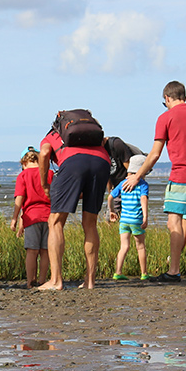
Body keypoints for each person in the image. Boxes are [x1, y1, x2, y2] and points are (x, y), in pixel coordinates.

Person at [123, 80, 186, 283]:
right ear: (184, 95)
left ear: (167, 98)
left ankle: (174, 270)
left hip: (182, 175)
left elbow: (155, 154)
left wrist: (137, 176)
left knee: (174, 222)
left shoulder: (165, 117)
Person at [37, 112, 110, 290]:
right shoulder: (92, 137)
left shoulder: (53, 134)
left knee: (55, 222)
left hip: (72, 163)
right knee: (90, 224)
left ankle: (56, 281)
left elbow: (44, 153)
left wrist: (44, 184)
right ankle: (90, 282)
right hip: (102, 163)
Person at [10, 148, 52, 288]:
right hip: (49, 216)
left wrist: (15, 218)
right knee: (45, 251)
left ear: (24, 162)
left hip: (32, 217)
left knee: (32, 250)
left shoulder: (23, 176)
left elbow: (19, 199)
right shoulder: (50, 173)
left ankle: (30, 281)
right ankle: (42, 280)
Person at [108, 155, 149, 280]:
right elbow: (143, 199)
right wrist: (145, 217)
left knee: (124, 247)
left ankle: (118, 272)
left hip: (124, 220)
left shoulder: (122, 183)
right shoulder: (143, 184)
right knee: (140, 246)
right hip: (136, 219)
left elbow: (110, 197)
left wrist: (111, 211)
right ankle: (144, 273)